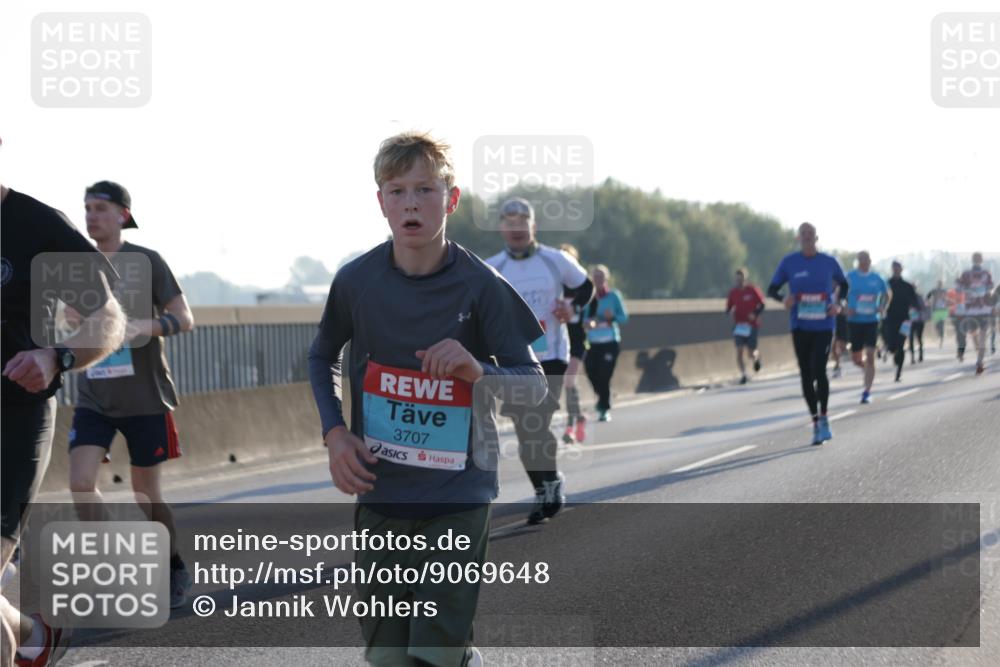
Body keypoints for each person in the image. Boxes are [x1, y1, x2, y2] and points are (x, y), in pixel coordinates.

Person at [308, 132, 546, 667]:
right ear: (381, 202)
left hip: (459, 494)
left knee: (429, 659)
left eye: (425, 189)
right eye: (396, 191)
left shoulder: (482, 285)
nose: (410, 204)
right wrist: (335, 433)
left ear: (451, 198)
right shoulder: (356, 281)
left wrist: (477, 370)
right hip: (382, 492)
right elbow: (320, 356)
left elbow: (533, 385)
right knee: (389, 660)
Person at [2, 183, 127, 667]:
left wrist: (57, 356)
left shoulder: (38, 226)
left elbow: (109, 317)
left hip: (13, 421)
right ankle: (33, 636)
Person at [66, 181, 196, 609]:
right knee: (80, 483)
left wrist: (144, 327)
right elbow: (64, 320)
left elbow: (184, 318)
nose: (91, 216)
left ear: (123, 214)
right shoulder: (77, 265)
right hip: (94, 397)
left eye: (100, 208)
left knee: (146, 495)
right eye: (87, 208)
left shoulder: (147, 261)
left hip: (145, 399)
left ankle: (173, 565)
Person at [486, 197, 594, 524]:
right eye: (510, 223)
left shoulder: (555, 260)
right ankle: (545, 486)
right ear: (501, 228)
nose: (517, 229)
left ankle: (550, 487)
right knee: (524, 432)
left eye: (523, 223)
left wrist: (572, 306)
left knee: (538, 422)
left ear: (533, 227)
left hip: (551, 357)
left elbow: (586, 286)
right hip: (514, 362)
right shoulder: (491, 268)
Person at [767, 222, 847, 445]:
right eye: (804, 234)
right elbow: (772, 289)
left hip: (824, 325)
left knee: (820, 370)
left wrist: (838, 304)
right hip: (800, 325)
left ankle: (825, 417)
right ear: (798, 238)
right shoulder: (789, 262)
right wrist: (783, 299)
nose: (807, 237)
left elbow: (845, 285)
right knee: (805, 374)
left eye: (811, 234)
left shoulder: (829, 262)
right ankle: (815, 421)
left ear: (816, 238)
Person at [583, 265, 628, 421]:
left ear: (606, 278)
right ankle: (603, 394)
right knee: (590, 371)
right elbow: (584, 319)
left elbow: (624, 317)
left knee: (604, 375)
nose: (598, 280)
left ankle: (604, 408)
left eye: (601, 276)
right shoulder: (589, 297)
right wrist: (589, 323)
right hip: (593, 342)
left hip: (610, 342)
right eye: (595, 277)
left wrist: (612, 318)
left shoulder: (614, 296)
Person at [844, 251, 888, 404]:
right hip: (854, 321)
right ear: (858, 261)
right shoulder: (849, 277)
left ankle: (867, 391)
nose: (864, 261)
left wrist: (882, 306)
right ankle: (867, 368)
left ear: (870, 260)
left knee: (870, 354)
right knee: (856, 359)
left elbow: (887, 294)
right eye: (861, 259)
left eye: (867, 259)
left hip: (871, 320)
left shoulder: (877, 278)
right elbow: (838, 292)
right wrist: (844, 307)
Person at [559, 244, 587, 444]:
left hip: (577, 340)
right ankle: (579, 417)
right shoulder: (554, 286)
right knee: (568, 383)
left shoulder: (582, 287)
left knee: (569, 381)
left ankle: (570, 427)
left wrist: (590, 320)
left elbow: (593, 309)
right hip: (559, 341)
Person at [955, 253, 995, 375]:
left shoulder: (967, 274)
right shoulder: (984, 273)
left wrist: (969, 290)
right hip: (981, 309)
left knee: (977, 336)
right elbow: (991, 287)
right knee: (980, 336)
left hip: (974, 310)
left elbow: (958, 288)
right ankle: (980, 360)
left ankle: (980, 360)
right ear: (981, 260)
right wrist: (978, 290)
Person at [725, 267, 765, 384]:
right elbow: (728, 308)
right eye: (737, 279)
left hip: (752, 325)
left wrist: (755, 313)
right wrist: (729, 311)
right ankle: (743, 375)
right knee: (739, 351)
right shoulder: (733, 293)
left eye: (741, 279)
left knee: (751, 353)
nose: (739, 281)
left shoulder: (752, 290)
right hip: (739, 326)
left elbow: (762, 304)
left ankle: (757, 359)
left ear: (745, 279)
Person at [884, 261, 920, 382]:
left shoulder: (907, 286)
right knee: (892, 346)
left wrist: (913, 307)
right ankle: (895, 354)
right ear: (892, 269)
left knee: (901, 344)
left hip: (905, 320)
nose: (896, 270)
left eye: (898, 268)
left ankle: (898, 372)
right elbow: (880, 298)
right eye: (894, 268)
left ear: (901, 269)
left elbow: (916, 303)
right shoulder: (887, 284)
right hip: (890, 319)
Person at [926, 280, 950, 348]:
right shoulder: (934, 290)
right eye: (939, 283)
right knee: (936, 325)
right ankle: (940, 335)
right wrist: (928, 302)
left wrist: (947, 301)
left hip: (943, 310)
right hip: (936, 310)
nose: (940, 285)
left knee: (942, 325)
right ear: (937, 284)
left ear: (942, 284)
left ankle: (941, 339)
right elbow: (928, 296)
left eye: (941, 284)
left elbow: (949, 297)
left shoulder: (945, 290)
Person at [909, 284, 927, 364]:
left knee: (919, 338)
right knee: (911, 339)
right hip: (910, 321)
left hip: (919, 320)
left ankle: (920, 354)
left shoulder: (919, 297)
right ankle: (912, 357)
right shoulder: (907, 297)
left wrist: (916, 307)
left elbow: (924, 307)